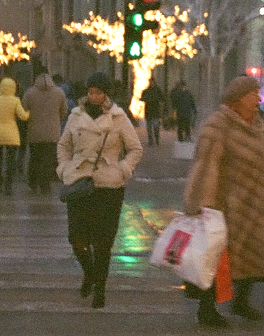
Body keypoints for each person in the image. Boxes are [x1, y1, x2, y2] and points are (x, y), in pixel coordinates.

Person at [183, 75, 264, 328]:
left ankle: (242, 301)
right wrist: (203, 204)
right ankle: (207, 308)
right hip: (226, 205)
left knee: (251, 254)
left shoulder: (256, 126)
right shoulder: (218, 126)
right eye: (253, 95)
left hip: (254, 204)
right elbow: (206, 167)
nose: (258, 99)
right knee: (216, 258)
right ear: (237, 100)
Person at [57, 71, 143, 309]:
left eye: (99, 92)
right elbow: (64, 145)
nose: (94, 96)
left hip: (108, 186)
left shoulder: (118, 117)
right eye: (91, 92)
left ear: (106, 93)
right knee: (77, 239)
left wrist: (122, 169)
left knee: (103, 243)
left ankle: (100, 290)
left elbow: (135, 149)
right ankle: (90, 273)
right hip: (80, 183)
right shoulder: (76, 115)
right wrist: (64, 168)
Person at [22, 69, 69, 194]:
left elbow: (24, 110)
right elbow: (64, 110)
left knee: (34, 158)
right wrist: (56, 120)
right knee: (48, 159)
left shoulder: (29, 93)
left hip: (34, 131)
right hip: (52, 132)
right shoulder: (59, 92)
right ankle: (45, 184)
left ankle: (33, 182)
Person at [0, 76, 30, 195]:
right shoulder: (15, 100)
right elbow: (23, 116)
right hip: (11, 134)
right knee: (10, 160)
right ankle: (8, 186)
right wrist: (29, 112)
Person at [140, 77, 165, 146]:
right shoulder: (146, 91)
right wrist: (146, 99)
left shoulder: (157, 90)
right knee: (149, 128)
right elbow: (142, 98)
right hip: (148, 111)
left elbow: (162, 98)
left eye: (152, 81)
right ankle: (150, 140)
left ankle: (157, 139)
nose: (151, 83)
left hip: (155, 111)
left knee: (156, 126)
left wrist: (156, 100)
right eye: (150, 82)